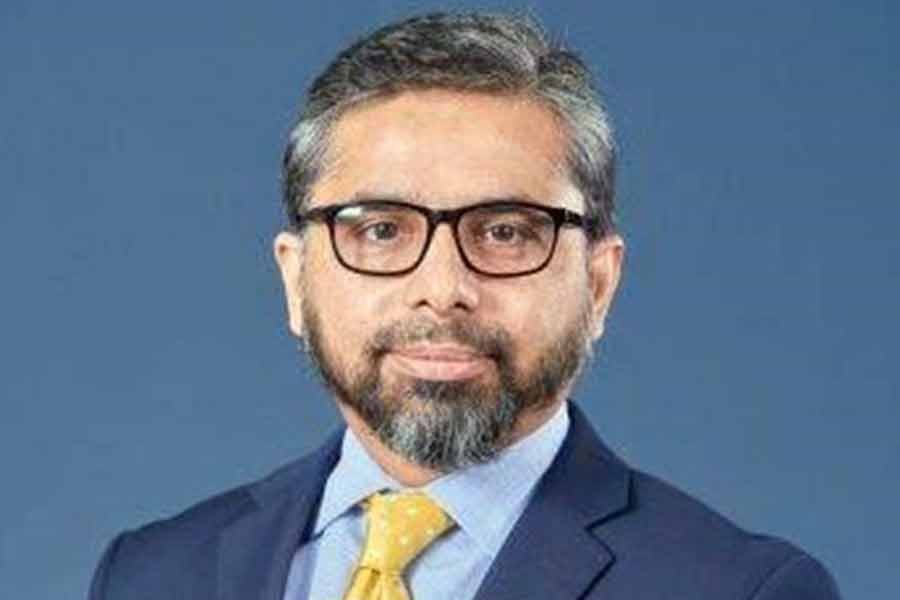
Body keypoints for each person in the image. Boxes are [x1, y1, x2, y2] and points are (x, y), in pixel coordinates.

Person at [88, 11, 842, 600]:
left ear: (599, 284)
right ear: (296, 279)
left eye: (506, 231)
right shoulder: (152, 575)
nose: (443, 286)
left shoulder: (740, 592)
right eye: (380, 229)